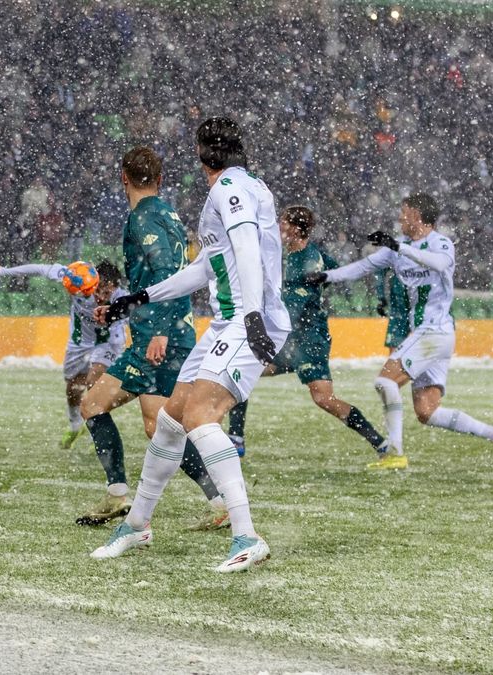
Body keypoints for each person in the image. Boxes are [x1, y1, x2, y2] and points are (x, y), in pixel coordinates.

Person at [91, 117, 290, 572]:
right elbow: (205, 268)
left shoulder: (230, 189)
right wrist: (138, 298)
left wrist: (255, 314)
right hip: (228, 322)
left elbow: (245, 246)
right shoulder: (243, 185)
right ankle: (137, 524)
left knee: (201, 415)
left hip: (245, 320)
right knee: (171, 419)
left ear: (201, 153)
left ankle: (246, 535)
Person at [77, 146, 227, 530]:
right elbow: (161, 277)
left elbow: (162, 271)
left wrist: (157, 329)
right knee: (160, 426)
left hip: (156, 338)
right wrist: (118, 308)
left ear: (123, 178)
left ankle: (120, 496)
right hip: (172, 330)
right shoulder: (169, 214)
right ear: (159, 180)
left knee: (94, 406)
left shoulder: (143, 219)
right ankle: (218, 500)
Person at [305, 193, 493, 470]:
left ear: (416, 215)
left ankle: (394, 453)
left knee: (385, 382)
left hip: (433, 332)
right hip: (430, 335)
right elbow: (364, 267)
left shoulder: (440, 243)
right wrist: (328, 277)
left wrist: (399, 249)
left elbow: (439, 264)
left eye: (404, 213)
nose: (400, 218)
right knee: (427, 411)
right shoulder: (398, 246)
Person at [225, 206, 386, 457]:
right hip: (303, 337)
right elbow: (333, 271)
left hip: (306, 339)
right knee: (242, 371)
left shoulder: (305, 262)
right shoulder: (301, 254)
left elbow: (292, 309)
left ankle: (381, 443)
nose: (279, 227)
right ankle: (236, 438)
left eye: (284, 224)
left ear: (297, 230)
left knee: (322, 399)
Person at [0, 259, 126, 450]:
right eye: (98, 289)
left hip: (107, 344)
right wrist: (3, 271)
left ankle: (98, 432)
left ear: (115, 287)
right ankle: (76, 425)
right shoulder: (77, 278)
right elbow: (40, 268)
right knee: (73, 387)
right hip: (79, 343)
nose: (101, 296)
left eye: (106, 291)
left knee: (94, 384)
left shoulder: (123, 297)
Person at [376, 268, 410, 353]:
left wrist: (381, 297)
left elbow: (380, 272)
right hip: (418, 295)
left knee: (397, 332)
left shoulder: (396, 255)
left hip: (401, 293)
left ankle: (395, 362)